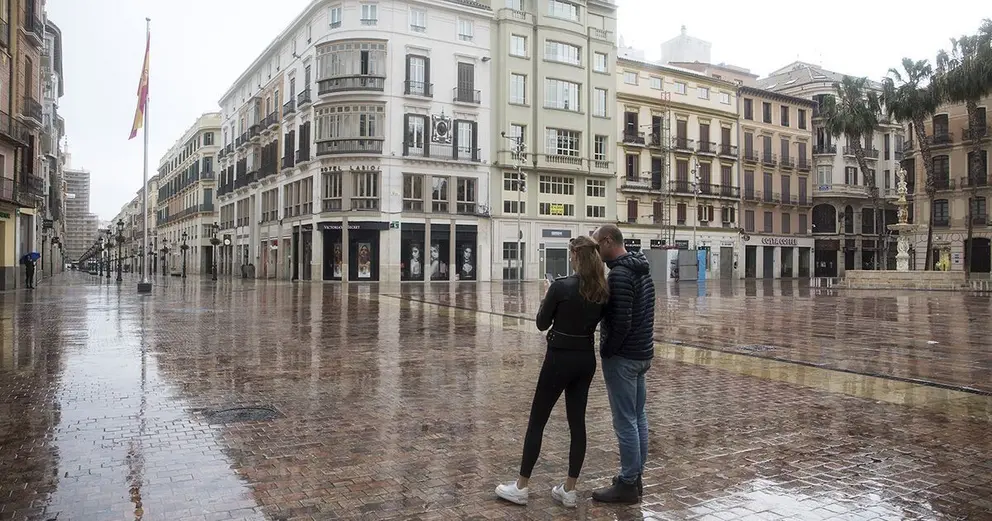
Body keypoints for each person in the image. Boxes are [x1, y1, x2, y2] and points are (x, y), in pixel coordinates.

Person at [495, 235, 609, 508]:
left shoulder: (561, 287)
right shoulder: (602, 290)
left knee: (538, 420)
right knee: (577, 423)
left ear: (576, 255)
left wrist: (548, 296)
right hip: (585, 360)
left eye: (571, 254)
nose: (570, 257)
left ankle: (521, 486)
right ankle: (569, 489)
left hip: (559, 359)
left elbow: (541, 323)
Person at [591, 224, 655, 504]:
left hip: (625, 358)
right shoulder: (642, 269)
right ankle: (635, 474)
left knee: (625, 420)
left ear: (607, 241)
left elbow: (621, 321)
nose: (595, 252)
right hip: (642, 353)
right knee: (638, 416)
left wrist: (607, 350)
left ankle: (628, 483)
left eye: (596, 246)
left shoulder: (619, 275)